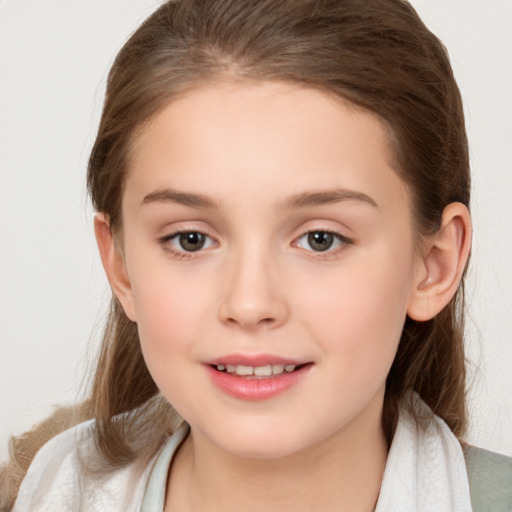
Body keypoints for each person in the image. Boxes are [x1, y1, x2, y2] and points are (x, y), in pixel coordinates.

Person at [1, 0, 511, 510]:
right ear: (121, 266)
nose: (249, 304)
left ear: (434, 265)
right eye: (190, 239)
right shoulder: (42, 493)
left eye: (320, 239)